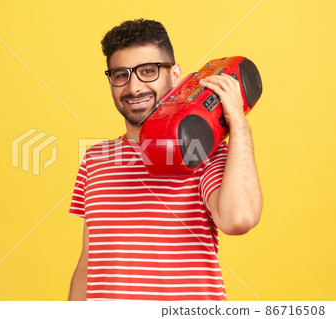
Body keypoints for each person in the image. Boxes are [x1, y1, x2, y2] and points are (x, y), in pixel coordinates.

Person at [68, 19, 262, 301]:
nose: (133, 88)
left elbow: (239, 219)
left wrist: (238, 123)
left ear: (176, 76)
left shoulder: (202, 154)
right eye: (121, 75)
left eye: (148, 72)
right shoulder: (96, 159)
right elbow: (89, 260)